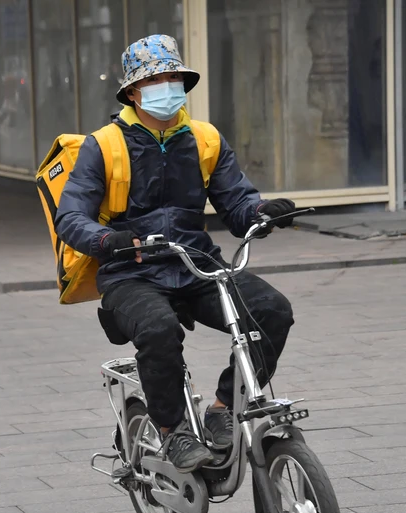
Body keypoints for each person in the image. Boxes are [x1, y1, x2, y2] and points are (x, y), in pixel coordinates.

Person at [56, 35, 297, 473]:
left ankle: (224, 407)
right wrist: (106, 239)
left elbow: (237, 205)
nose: (168, 87)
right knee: (159, 329)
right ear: (133, 91)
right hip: (131, 271)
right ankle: (173, 432)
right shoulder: (104, 145)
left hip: (196, 264)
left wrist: (263, 212)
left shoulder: (204, 138)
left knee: (272, 310)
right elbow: (70, 217)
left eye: (174, 78)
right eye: (156, 80)